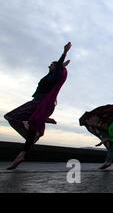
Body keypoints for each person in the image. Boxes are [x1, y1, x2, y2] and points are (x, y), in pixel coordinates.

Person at [5, 42, 72, 170]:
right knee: (30, 128)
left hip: (41, 102)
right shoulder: (50, 76)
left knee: (11, 116)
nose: (49, 66)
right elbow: (54, 71)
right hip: (37, 102)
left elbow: (57, 70)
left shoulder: (54, 77)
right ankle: (21, 155)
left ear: (56, 67)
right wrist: (60, 65)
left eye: (52, 65)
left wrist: (64, 53)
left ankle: (35, 120)